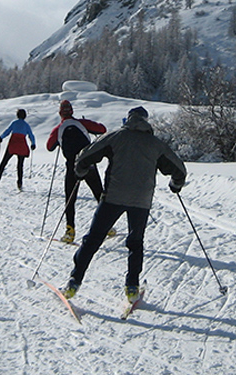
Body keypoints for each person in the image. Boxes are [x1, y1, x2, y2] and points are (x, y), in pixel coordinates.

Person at [61, 106, 187, 303]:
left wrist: (80, 172)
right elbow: (179, 169)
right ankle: (131, 287)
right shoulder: (155, 144)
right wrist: (175, 185)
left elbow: (86, 154)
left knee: (93, 239)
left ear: (128, 119)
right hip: (141, 200)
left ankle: (74, 282)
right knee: (135, 243)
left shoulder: (116, 137)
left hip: (113, 197)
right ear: (146, 121)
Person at [46, 100, 108, 243]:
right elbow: (102, 129)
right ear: (72, 111)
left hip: (71, 166)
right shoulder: (82, 123)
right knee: (99, 195)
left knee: (70, 199)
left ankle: (70, 231)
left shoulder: (59, 129)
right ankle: (106, 227)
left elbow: (49, 147)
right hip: (88, 163)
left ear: (60, 113)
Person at [0, 109, 36, 190]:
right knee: (20, 165)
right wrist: (33, 144)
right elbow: (31, 135)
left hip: (13, 144)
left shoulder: (14, 123)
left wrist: (1, 137)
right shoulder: (26, 125)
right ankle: (20, 183)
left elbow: (8, 131)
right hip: (22, 145)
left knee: (4, 161)